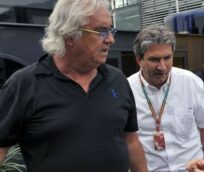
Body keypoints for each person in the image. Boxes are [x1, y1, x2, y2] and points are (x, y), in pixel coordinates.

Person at [0, 0, 147, 171]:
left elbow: (130, 140)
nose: (111, 39)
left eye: (110, 30)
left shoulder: (117, 80)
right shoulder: (24, 84)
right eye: (101, 31)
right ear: (70, 35)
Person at [128, 25, 204, 172]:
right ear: (139, 60)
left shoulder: (190, 82)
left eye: (167, 58)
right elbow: (128, 141)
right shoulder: (127, 89)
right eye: (154, 59)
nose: (162, 67)